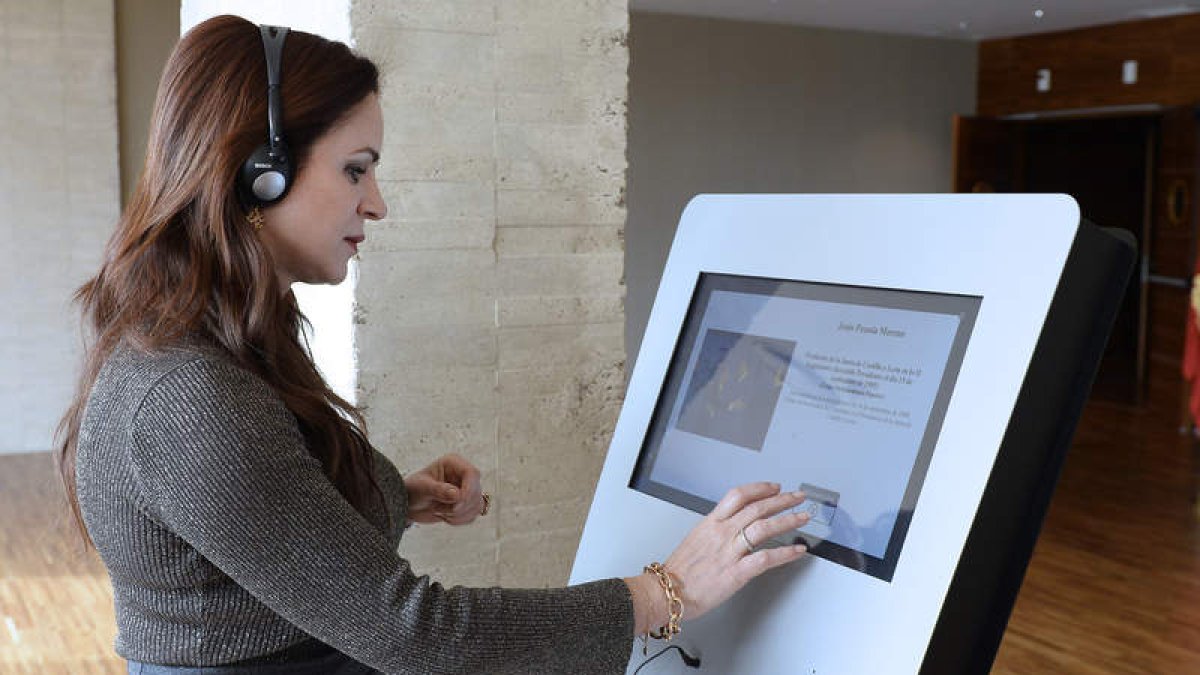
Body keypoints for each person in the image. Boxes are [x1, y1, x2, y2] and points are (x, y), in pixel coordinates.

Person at [54, 15, 810, 674]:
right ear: (262, 174)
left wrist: (400, 496)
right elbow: (413, 631)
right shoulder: (190, 400)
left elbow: (271, 532)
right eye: (356, 169)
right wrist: (666, 591)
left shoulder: (224, 336)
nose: (375, 203)